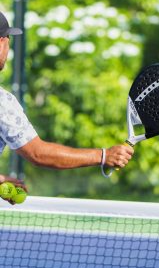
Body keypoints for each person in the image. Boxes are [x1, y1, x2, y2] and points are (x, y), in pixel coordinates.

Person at [0, 11, 133, 204]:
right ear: (2, 42)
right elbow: (38, 153)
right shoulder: (3, 102)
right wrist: (104, 155)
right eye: (8, 38)